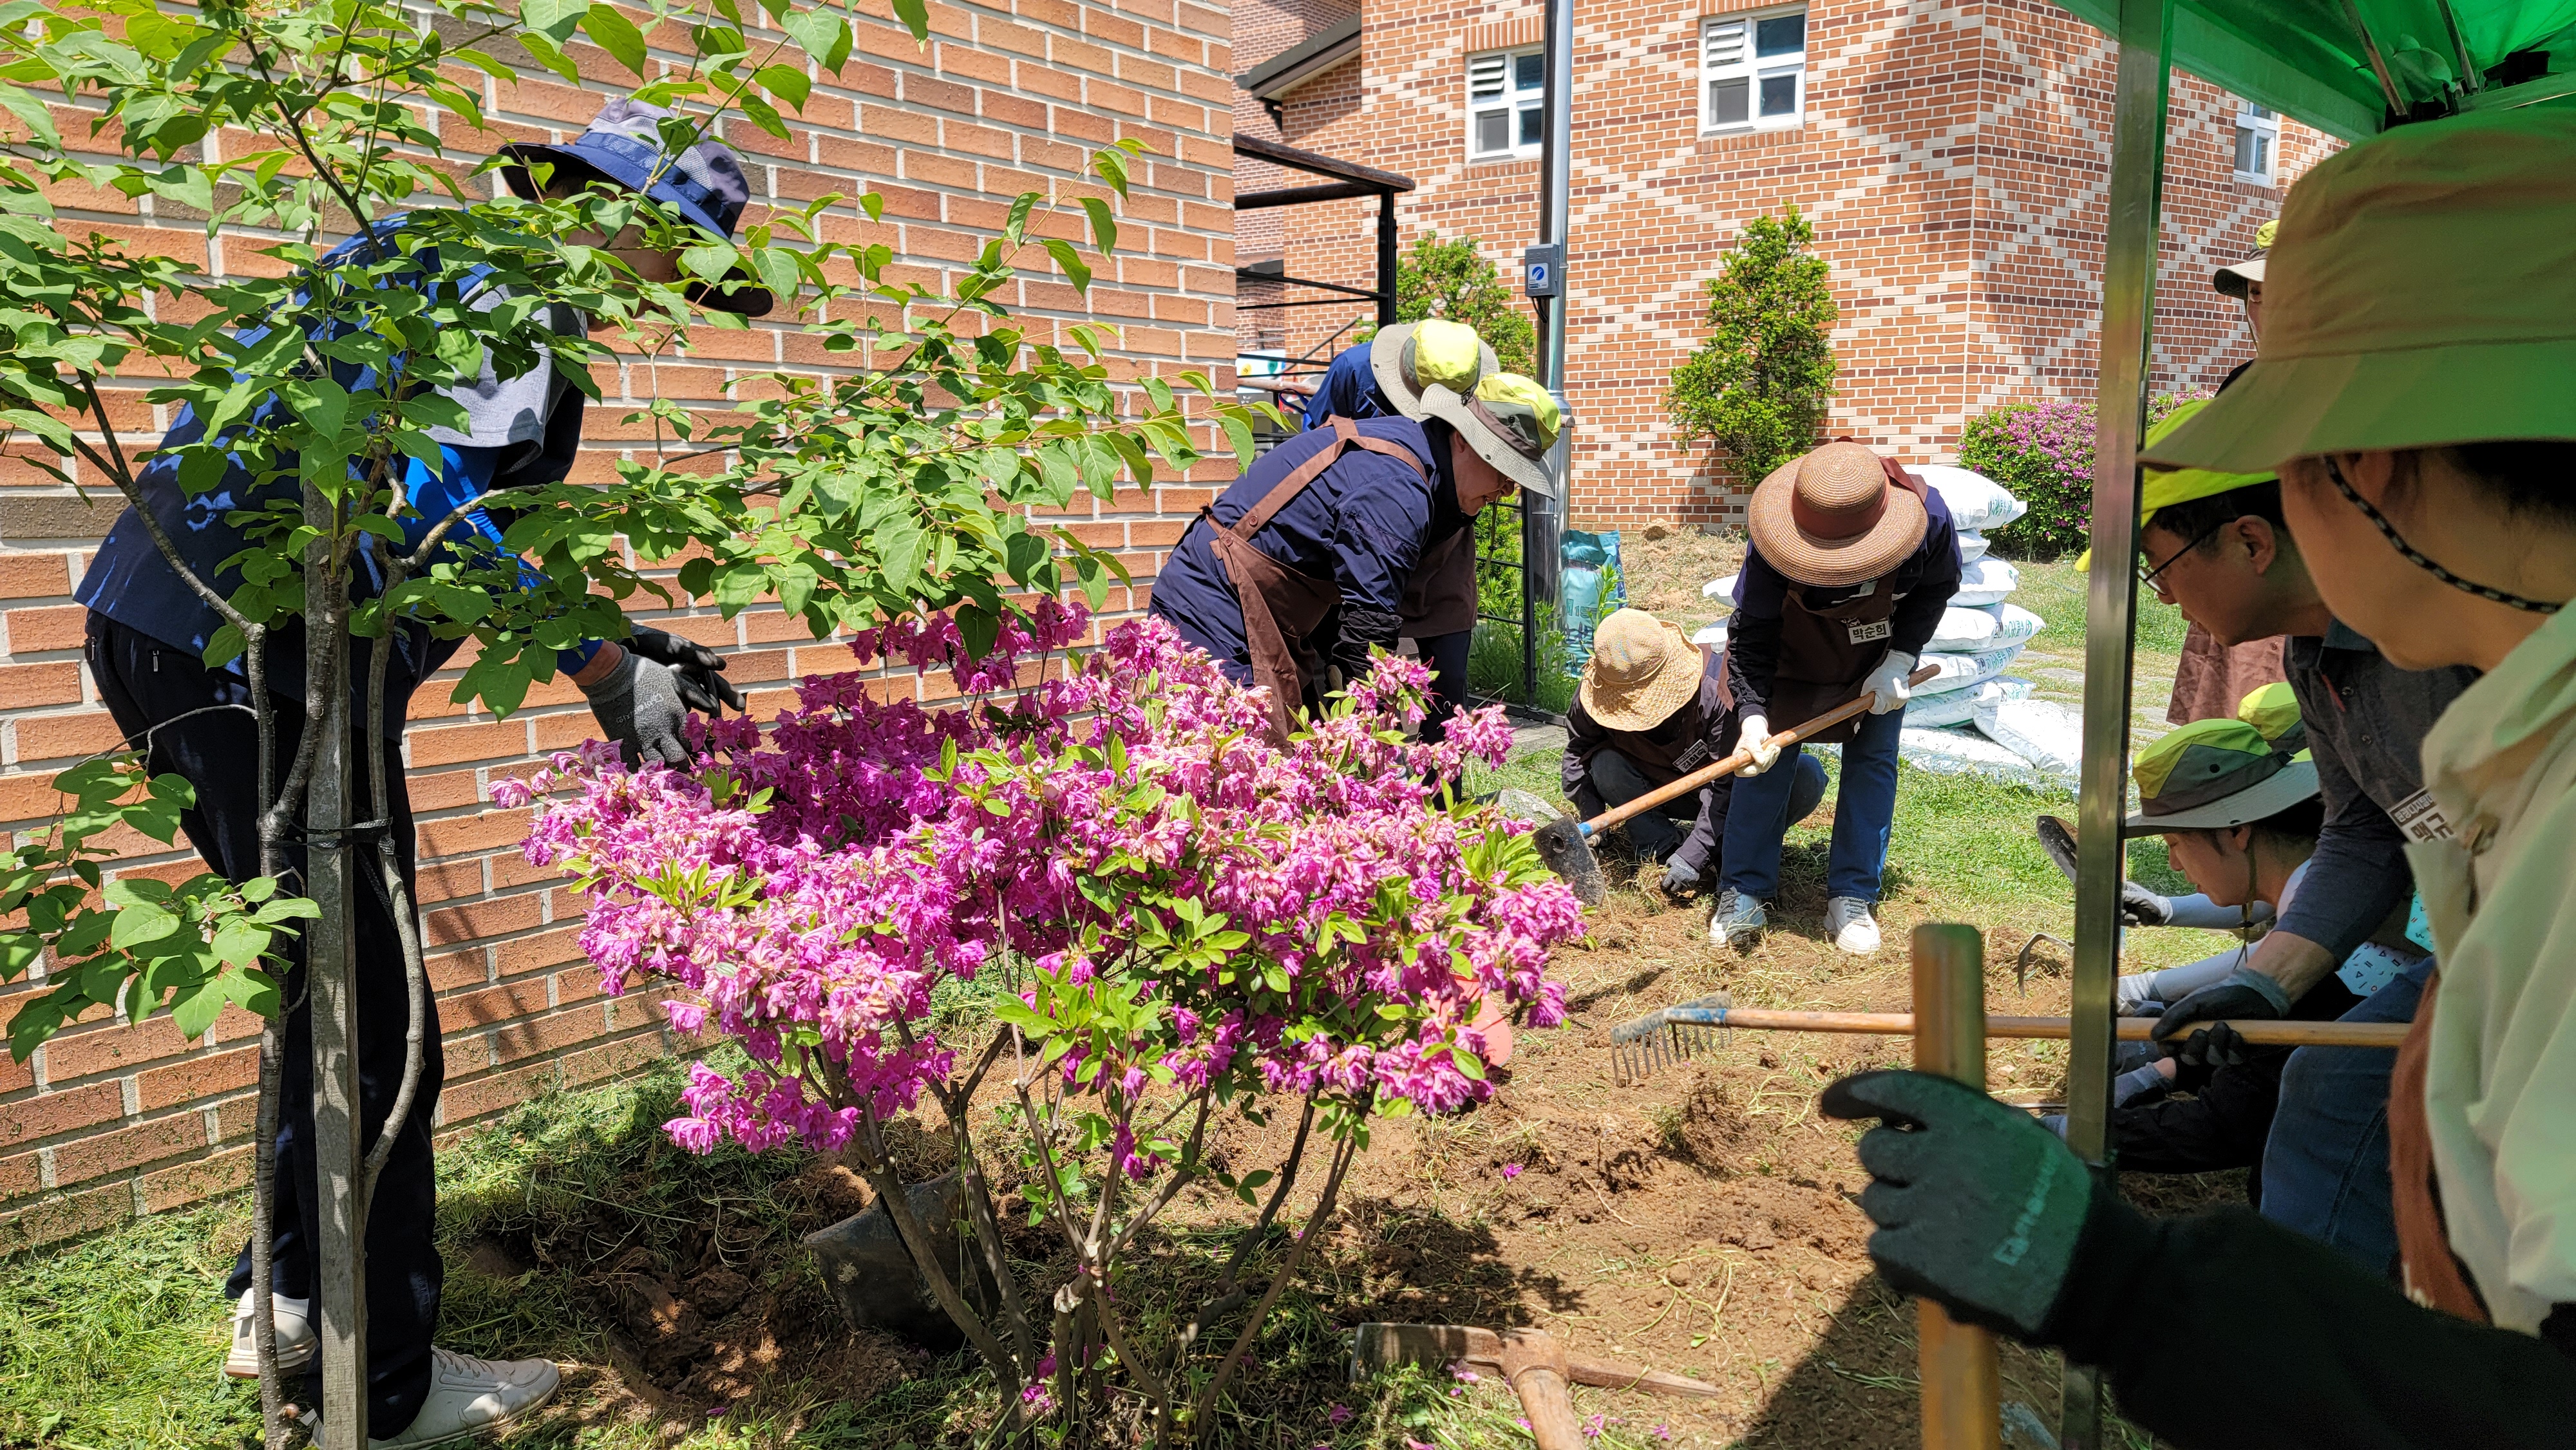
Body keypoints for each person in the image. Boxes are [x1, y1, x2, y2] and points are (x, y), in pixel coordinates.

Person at [1817, 107, 2576, 1449]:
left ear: (2369, 466)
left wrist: (2121, 1290)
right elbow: (2363, 833)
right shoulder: (2434, 704)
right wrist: (2266, 971)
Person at [74, 97, 759, 1445]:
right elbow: (445, 502)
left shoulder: (419, 252)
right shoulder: (507, 295)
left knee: (316, 976)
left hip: (160, 619)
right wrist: (604, 678)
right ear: (618, 211)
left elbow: (443, 499)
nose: (668, 291)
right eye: (674, 254)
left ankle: (285, 1296)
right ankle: (379, 1389)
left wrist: (622, 635)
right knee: (377, 1026)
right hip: (266, 654)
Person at [2101, 393, 2476, 1270]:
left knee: (2344, 1096)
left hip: (2539, 943)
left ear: (2251, 541)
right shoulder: (2316, 662)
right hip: (2490, 947)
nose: (2161, 595)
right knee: (2335, 1086)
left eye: (2162, 565)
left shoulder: (2438, 635)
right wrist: (2266, 986)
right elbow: (2365, 833)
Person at [2063, 709, 2396, 1191]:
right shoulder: (2338, 898)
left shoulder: (2316, 962)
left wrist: (2061, 1135)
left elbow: (2224, 1126)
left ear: (2237, 831)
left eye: (2176, 842)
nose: (2175, 865)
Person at [1151, 373, 1562, 742]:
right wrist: (1370, 741)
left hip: (1266, 611)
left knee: (1295, 755)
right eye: (1502, 470)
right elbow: (1368, 630)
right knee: (1232, 756)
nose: (1506, 490)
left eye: (1516, 479)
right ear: (1461, 438)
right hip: (1213, 600)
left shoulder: (1418, 456)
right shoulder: (1397, 487)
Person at [1708, 440, 1960, 955]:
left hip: (1876, 663)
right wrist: (1754, 717)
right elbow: (1754, 631)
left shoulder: (1929, 519)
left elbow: (1937, 588)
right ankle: (1745, 889)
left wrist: (1901, 659)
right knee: (1764, 765)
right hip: (1791, 661)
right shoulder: (1772, 539)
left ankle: (1852, 895)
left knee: (1873, 763)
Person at [1301, 319, 1499, 743]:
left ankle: (1441, 797)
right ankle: (1358, 787)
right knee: (1354, 688)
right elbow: (1315, 446)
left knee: (1445, 700)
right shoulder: (1353, 369)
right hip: (1361, 552)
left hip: (1442, 546)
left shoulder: (1480, 382)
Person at [1561, 608, 1825, 898]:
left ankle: (1730, 848)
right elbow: (1578, 754)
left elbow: (1725, 786)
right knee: (1605, 765)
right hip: (1651, 791)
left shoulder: (1715, 693)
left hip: (1725, 795)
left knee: (1806, 777)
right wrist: (1593, 819)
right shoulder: (1596, 694)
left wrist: (1695, 855)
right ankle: (1660, 846)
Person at [2166, 222, 2289, 725]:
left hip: (2299, 583)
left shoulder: (2350, 383)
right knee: (2227, 730)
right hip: (2232, 573)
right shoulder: (2242, 382)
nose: (2262, 309)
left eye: (2278, 292)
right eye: (2254, 294)